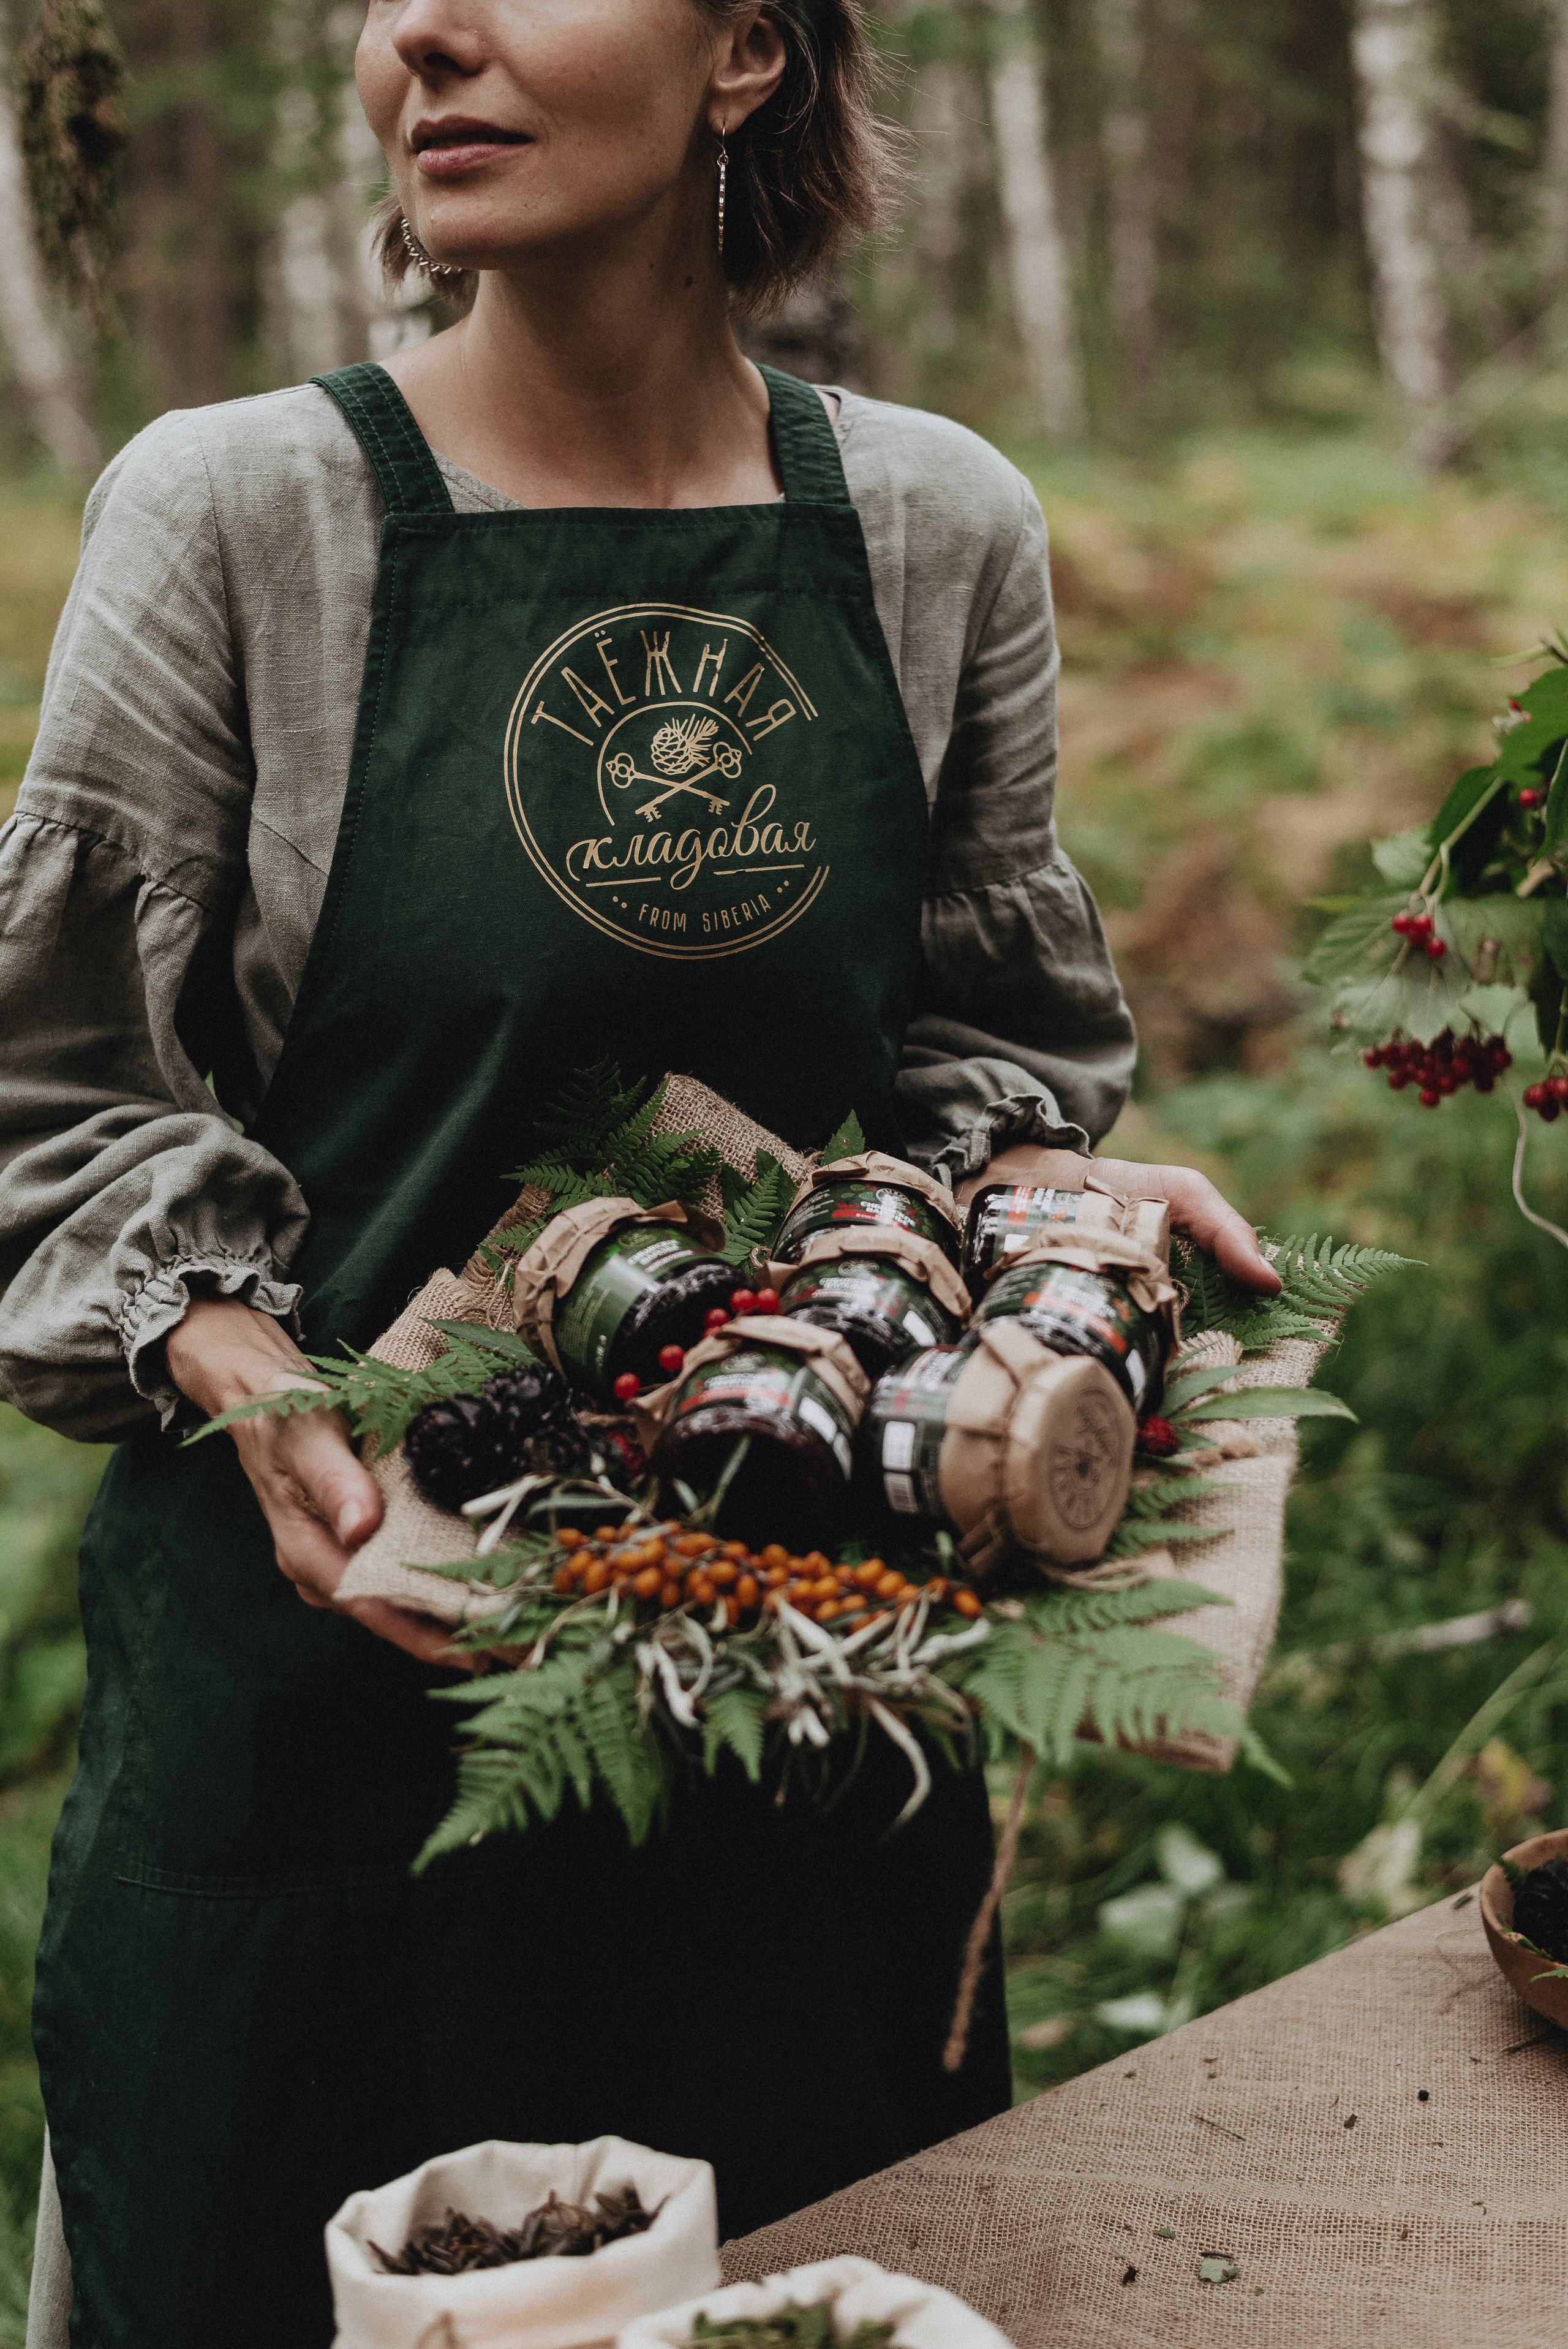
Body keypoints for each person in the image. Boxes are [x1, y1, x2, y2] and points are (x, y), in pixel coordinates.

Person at [0, 1, 1280, 2340]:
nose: (423, 33)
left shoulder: (927, 529)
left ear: (750, 54)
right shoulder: (238, 518)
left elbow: (983, 1058)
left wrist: (1057, 1228)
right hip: (314, 1753)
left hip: (789, 1738)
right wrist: (223, 1343)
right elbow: (51, 1084)